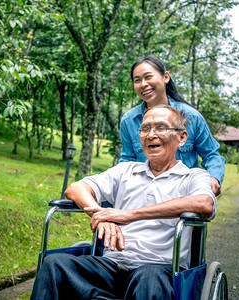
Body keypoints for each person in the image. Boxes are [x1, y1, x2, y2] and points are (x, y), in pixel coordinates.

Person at [30, 105, 217, 300]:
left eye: (161, 128)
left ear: (182, 137)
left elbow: (204, 203)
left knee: (149, 278)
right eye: (145, 129)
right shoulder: (125, 171)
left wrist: (127, 215)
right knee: (54, 264)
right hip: (112, 267)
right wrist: (100, 216)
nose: (151, 135)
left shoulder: (193, 176)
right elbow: (75, 189)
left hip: (158, 269)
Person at [120, 56, 225, 196]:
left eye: (148, 77)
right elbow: (127, 160)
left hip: (184, 196)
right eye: (137, 80)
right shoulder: (129, 121)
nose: (143, 84)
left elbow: (211, 154)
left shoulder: (192, 117)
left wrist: (213, 178)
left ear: (166, 77)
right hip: (144, 196)